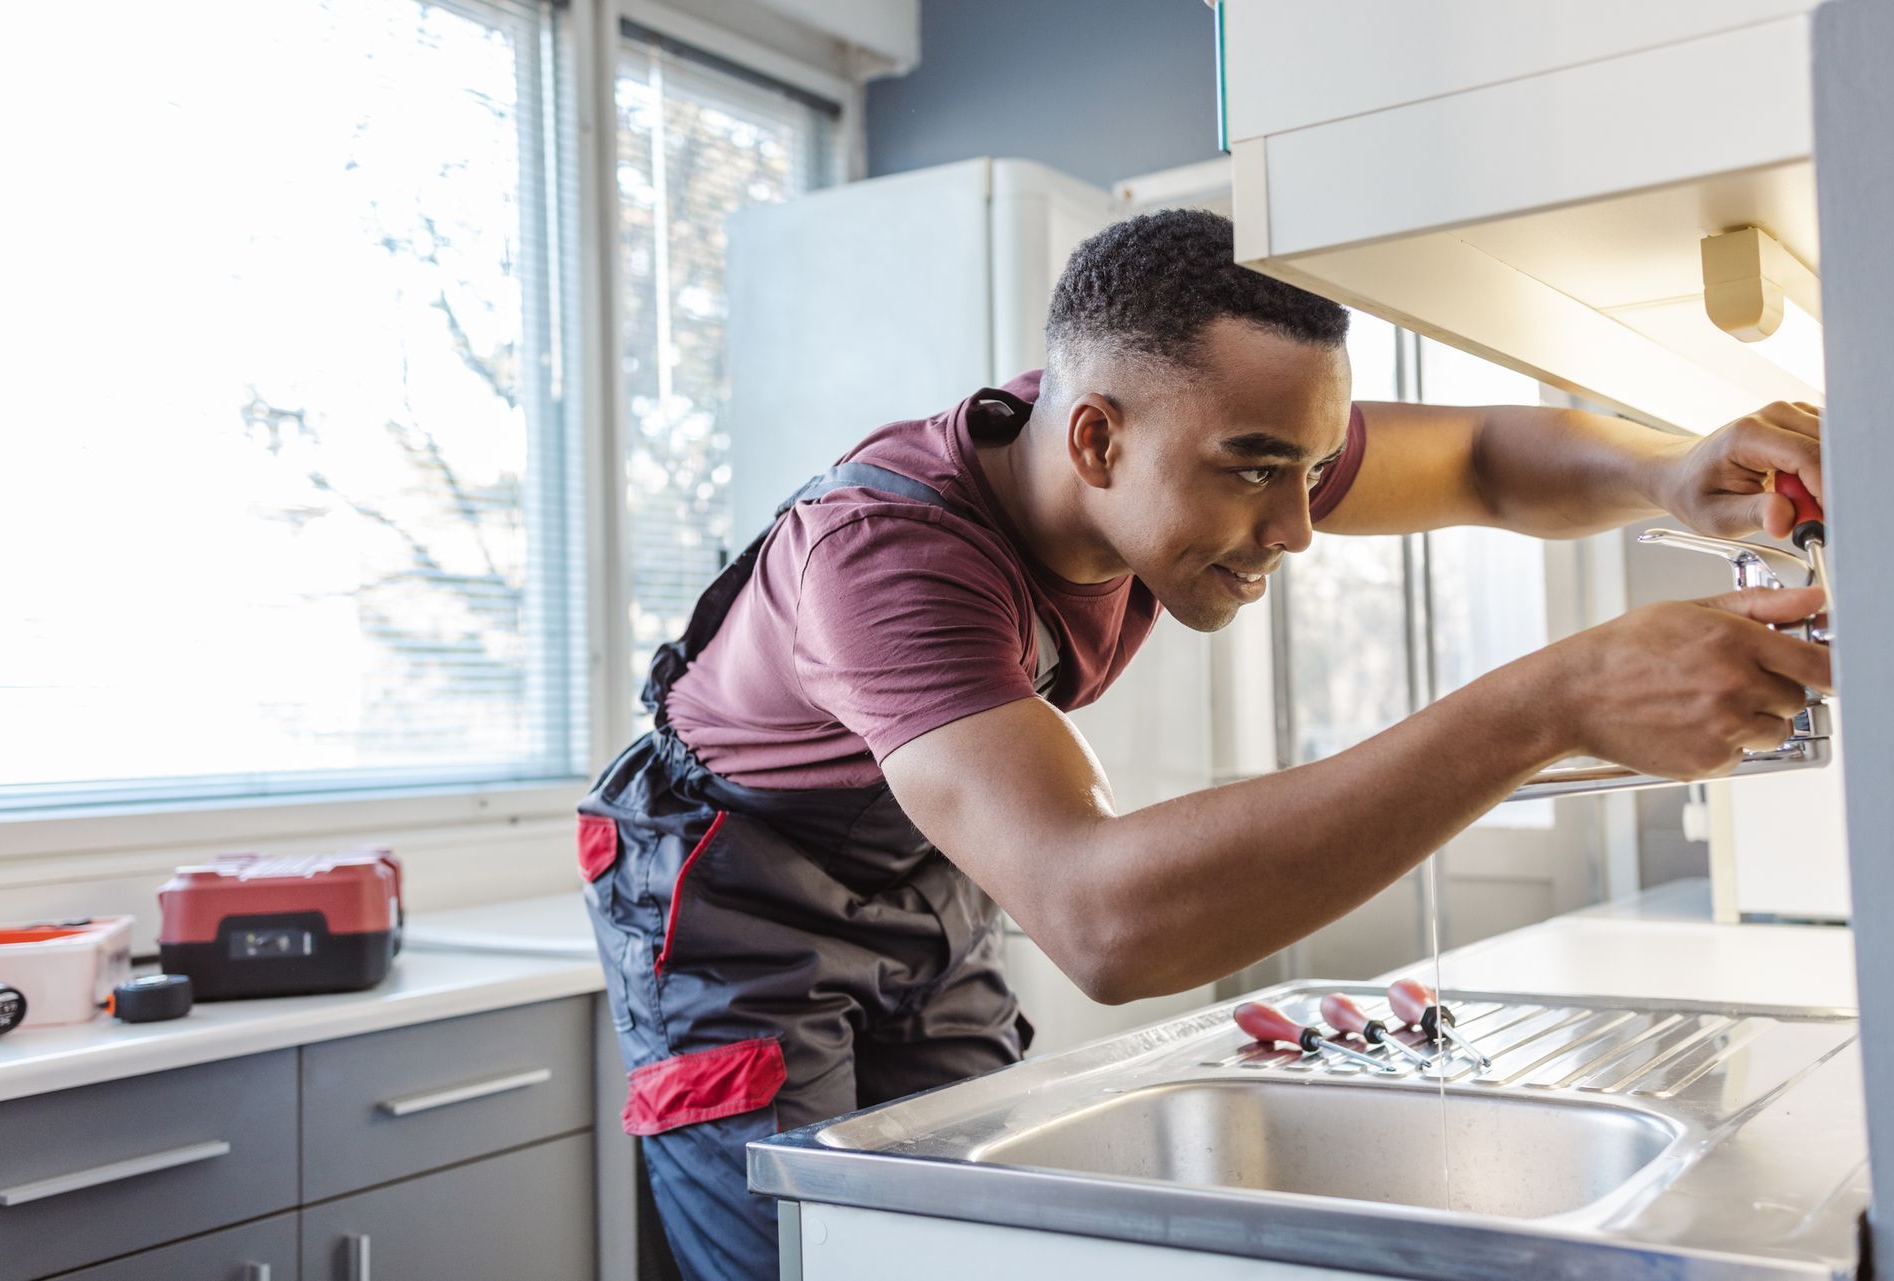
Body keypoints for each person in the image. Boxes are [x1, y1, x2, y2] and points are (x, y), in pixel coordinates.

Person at [579, 209, 1829, 1280]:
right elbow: (1106, 920)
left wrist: (1668, 472)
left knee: (959, 1226)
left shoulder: (1194, 426)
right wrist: (1547, 702)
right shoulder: (884, 562)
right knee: (810, 1243)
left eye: (1318, 469)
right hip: (732, 911)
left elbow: (1493, 464)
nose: (1295, 526)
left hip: (923, 883)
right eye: (1257, 473)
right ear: (1094, 440)